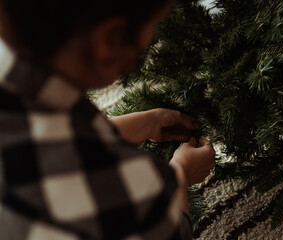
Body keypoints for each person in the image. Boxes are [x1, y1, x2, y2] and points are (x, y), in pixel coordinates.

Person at [0, 0, 216, 239]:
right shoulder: (130, 192)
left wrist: (144, 124)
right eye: (155, 24)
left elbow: (40, 142)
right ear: (110, 40)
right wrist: (180, 173)